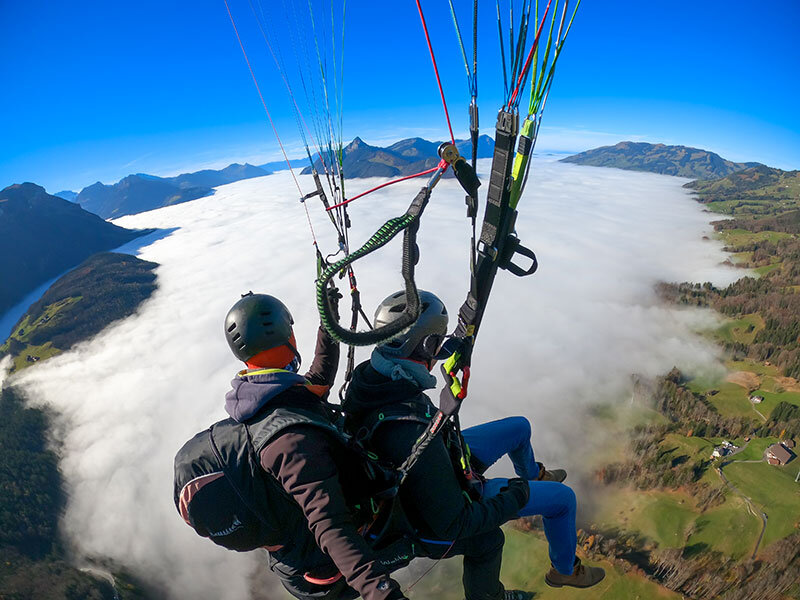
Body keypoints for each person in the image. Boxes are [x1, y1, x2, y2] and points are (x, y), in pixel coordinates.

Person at [175, 289, 531, 600]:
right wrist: (382, 592)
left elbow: (315, 382)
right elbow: (331, 526)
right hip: (325, 570)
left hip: (302, 561)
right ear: (288, 336)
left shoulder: (256, 396)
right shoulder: (292, 443)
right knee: (485, 541)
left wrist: (328, 327)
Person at [343, 290, 606, 591]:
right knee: (563, 500)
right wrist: (518, 495)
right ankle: (565, 570)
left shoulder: (375, 374)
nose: (440, 349)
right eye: (438, 342)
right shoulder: (409, 432)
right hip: (438, 498)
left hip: (437, 455)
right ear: (424, 345)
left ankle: (535, 475)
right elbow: (455, 523)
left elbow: (420, 440)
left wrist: (457, 347)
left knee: (519, 427)